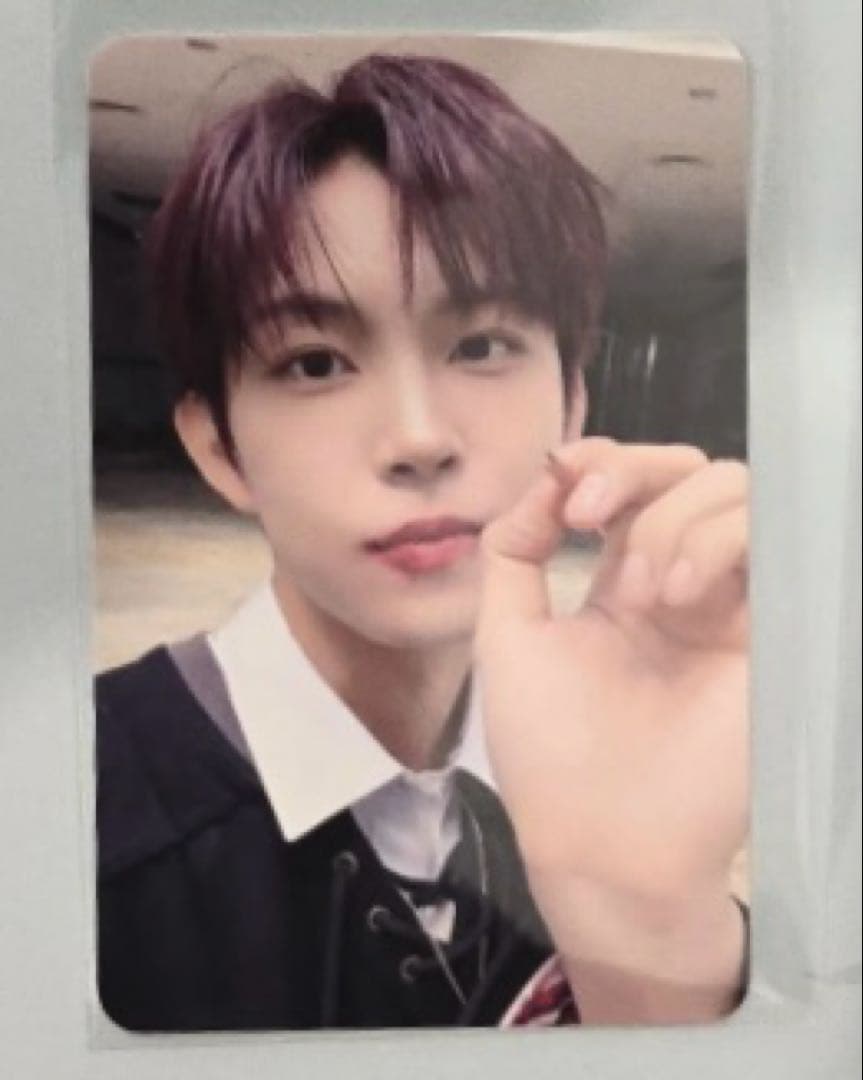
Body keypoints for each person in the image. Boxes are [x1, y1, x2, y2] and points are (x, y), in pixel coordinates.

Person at [96, 52, 749, 1032]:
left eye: (480, 346)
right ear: (218, 448)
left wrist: (652, 931)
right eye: (315, 363)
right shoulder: (70, 807)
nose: (417, 437)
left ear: (570, 404)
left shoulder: (601, 758)